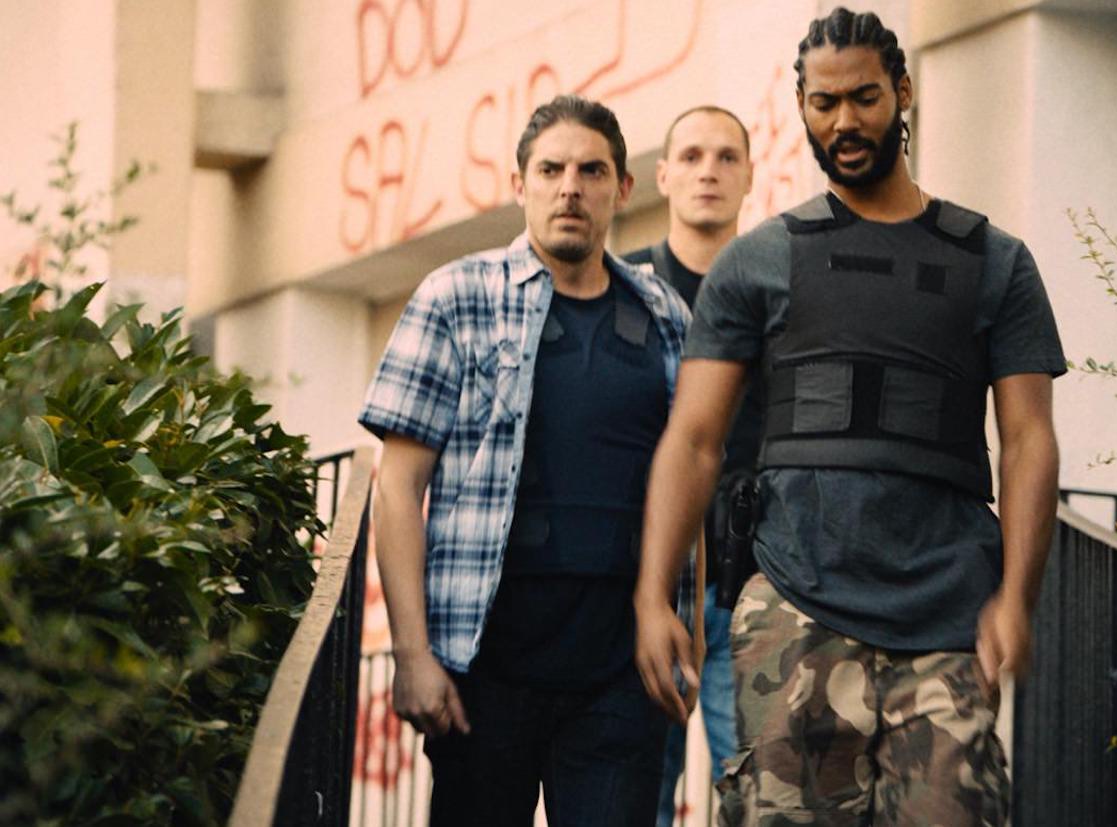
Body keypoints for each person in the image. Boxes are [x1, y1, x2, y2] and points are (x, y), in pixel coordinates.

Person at [632, 7, 1066, 825]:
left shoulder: (995, 262)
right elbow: (692, 440)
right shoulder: (757, 260)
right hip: (795, 609)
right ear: (801, 105)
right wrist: (655, 596)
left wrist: (1018, 596)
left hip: (946, 616)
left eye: (864, 98)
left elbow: (1028, 439)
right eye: (823, 103)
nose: (844, 122)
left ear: (903, 92)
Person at [360, 94, 692, 826]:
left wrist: (679, 620)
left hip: (620, 668)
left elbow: (693, 471)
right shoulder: (455, 297)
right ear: (520, 185)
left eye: (591, 171)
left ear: (623, 188)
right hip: (484, 667)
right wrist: (412, 654)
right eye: (551, 170)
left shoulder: (666, 314)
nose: (570, 187)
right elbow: (398, 486)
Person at [623, 105, 756, 827]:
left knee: (763, 795)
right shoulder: (623, 287)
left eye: (727, 156)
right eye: (693, 155)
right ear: (663, 175)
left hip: (752, 585)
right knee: (636, 792)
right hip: (646, 583)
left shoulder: (776, 288)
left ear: (750, 175)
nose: (709, 171)